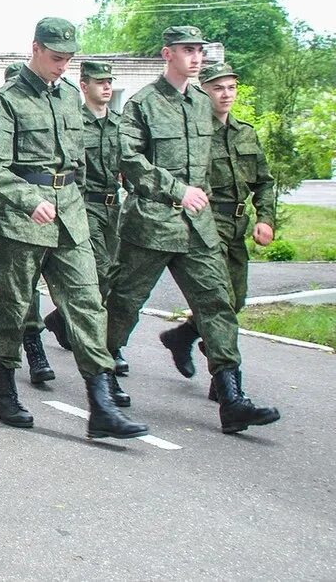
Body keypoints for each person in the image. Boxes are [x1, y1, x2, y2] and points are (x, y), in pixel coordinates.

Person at [0, 17, 147, 439]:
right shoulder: (10, 99)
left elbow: (80, 163)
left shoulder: (71, 96)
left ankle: (102, 405)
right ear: (35, 49)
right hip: (22, 221)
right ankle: (5, 393)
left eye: (68, 59)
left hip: (71, 215)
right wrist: (29, 199)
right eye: (56, 58)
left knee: (88, 306)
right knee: (15, 309)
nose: (62, 66)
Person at [104, 32, 279, 434]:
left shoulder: (203, 105)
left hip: (198, 228)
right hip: (151, 223)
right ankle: (106, 367)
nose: (196, 58)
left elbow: (225, 165)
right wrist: (177, 189)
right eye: (188, 51)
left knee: (217, 303)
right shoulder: (142, 104)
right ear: (168, 54)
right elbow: (128, 160)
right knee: (125, 303)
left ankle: (232, 396)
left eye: (200, 51)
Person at [158, 62, 276, 382]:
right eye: (218, 88)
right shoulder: (196, 135)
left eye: (231, 88)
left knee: (236, 300)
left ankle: (182, 336)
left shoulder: (246, 133)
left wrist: (265, 218)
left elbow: (264, 181)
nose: (226, 95)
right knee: (219, 302)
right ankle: (225, 381)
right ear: (204, 90)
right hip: (207, 223)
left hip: (237, 225)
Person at [0, 63, 55, 387]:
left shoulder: (48, 122)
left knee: (17, 288)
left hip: (40, 214)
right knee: (13, 286)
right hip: (2, 214)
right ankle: (33, 349)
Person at [44, 61, 122, 358]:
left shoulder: (118, 123)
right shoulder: (73, 120)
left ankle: (61, 318)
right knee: (97, 273)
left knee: (112, 275)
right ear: (84, 85)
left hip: (114, 209)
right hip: (84, 206)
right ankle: (105, 347)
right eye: (99, 82)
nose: (106, 87)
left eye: (109, 82)